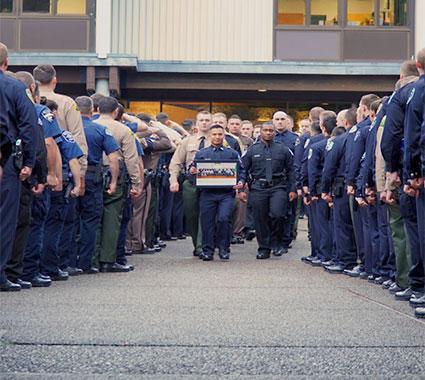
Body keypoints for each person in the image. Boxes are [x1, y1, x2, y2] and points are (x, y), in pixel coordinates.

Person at [0, 43, 37, 291]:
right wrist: (28, 162)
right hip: (6, 162)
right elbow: (29, 125)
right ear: (6, 62)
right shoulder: (14, 87)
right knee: (4, 221)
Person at [93, 96, 142, 273]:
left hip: (92, 174)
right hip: (116, 176)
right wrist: (137, 183)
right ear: (116, 112)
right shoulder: (124, 130)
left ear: (97, 109)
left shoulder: (89, 126)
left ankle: (91, 259)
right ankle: (107, 259)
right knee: (112, 219)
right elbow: (131, 159)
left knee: (92, 218)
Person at [73, 96, 120, 274]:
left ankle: (68, 261)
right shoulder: (100, 130)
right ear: (94, 110)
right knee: (90, 221)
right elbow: (113, 158)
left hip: (71, 175)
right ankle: (85, 263)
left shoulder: (68, 129)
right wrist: (114, 181)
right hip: (93, 176)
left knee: (70, 221)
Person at [241, 123, 296, 259]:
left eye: (271, 131)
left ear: (275, 132)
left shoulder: (283, 149)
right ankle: (264, 248)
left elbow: (292, 170)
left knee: (278, 214)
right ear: (260, 132)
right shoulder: (252, 150)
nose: (268, 133)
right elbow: (243, 169)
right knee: (260, 219)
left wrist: (293, 189)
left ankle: (276, 242)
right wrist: (242, 187)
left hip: (278, 187)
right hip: (258, 187)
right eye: (265, 130)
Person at [191, 124, 245, 261]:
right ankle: (207, 250)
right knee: (207, 222)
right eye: (214, 134)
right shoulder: (201, 153)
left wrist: (241, 182)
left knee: (224, 219)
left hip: (226, 194)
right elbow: (191, 173)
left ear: (224, 136)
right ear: (210, 135)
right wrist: (193, 172)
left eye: (220, 134)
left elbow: (242, 171)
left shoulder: (232, 153)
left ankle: (224, 249)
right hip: (207, 194)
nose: (217, 137)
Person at [169, 111, 212, 256]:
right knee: (191, 215)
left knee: (205, 214)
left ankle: (202, 246)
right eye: (201, 120)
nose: (204, 123)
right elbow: (176, 162)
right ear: (196, 123)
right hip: (190, 183)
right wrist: (173, 180)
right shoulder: (188, 141)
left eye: (207, 120)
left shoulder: (218, 140)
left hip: (210, 184)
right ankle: (197, 243)